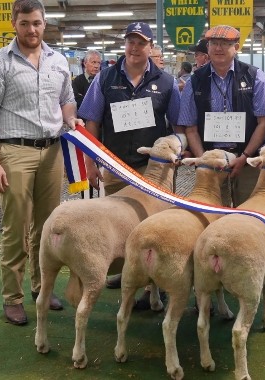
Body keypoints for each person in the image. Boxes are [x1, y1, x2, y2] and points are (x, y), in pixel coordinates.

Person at [0, 0, 82, 326]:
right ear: (14, 23)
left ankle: (42, 289)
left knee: (48, 227)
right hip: (14, 152)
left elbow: (66, 100)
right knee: (17, 227)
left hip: (52, 152)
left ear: (44, 23)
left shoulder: (59, 61)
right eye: (25, 23)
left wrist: (72, 119)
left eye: (36, 23)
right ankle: (13, 297)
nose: (31, 29)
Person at [77, 22, 180, 307]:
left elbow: (179, 124)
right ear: (125, 44)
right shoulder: (106, 78)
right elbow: (92, 121)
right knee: (120, 225)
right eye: (130, 42)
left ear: (150, 47)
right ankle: (127, 277)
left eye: (141, 43)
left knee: (154, 225)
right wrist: (91, 162)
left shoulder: (167, 82)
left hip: (154, 169)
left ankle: (152, 289)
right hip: (116, 165)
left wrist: (174, 150)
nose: (135, 48)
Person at [179, 25, 265, 207]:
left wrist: (245, 157)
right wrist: (204, 160)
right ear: (207, 47)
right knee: (211, 215)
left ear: (236, 48)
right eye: (213, 43)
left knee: (248, 214)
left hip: (247, 162)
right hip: (210, 162)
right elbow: (190, 128)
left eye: (225, 43)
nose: (218, 48)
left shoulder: (254, 76)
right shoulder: (195, 81)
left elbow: (264, 122)